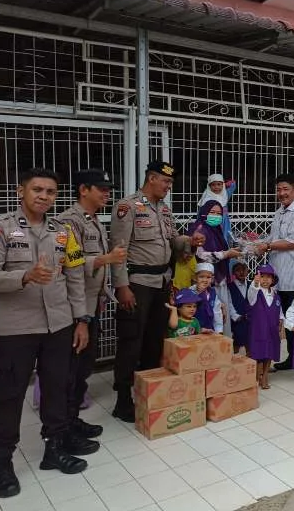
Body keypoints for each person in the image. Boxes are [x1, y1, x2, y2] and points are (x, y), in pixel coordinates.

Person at [0, 169, 94, 498]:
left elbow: (76, 276)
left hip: (59, 326)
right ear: (21, 190)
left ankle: (54, 449)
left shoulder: (63, 232)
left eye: (51, 191)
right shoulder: (1, 228)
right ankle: (2, 463)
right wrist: (24, 276)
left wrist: (82, 320)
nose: (44, 196)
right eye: (37, 189)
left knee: (56, 389)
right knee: (9, 395)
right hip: (15, 330)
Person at [109, 160, 203, 422]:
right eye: (166, 182)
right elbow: (118, 250)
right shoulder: (127, 207)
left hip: (162, 281)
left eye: (170, 183)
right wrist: (121, 286)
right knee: (131, 341)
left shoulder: (164, 210)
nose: (169, 187)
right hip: (138, 284)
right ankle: (123, 400)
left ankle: (148, 390)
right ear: (151, 179)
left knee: (154, 340)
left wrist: (189, 241)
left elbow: (174, 240)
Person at [57, 169, 128, 445]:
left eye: (108, 189)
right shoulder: (68, 221)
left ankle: (72, 420)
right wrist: (106, 258)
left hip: (92, 303)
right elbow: (68, 264)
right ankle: (62, 428)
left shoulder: (94, 219)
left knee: (83, 368)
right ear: (83, 189)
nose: (106, 194)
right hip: (75, 307)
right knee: (71, 369)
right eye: (101, 189)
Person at [253, 174, 294, 371]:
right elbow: (274, 238)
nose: (281, 193)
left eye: (285, 189)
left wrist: (267, 245)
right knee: (289, 323)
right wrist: (256, 242)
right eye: (279, 190)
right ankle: (293, 358)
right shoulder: (280, 212)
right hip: (281, 277)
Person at [189, 200, 241, 334]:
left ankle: (221, 347)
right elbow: (200, 254)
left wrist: (230, 253)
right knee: (207, 317)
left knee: (221, 317)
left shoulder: (216, 230)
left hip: (219, 280)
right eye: (212, 212)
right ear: (204, 212)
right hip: (204, 283)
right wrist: (225, 254)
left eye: (219, 213)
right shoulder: (198, 229)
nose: (216, 216)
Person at [246, 264, 283, 389]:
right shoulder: (255, 293)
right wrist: (255, 284)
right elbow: (251, 294)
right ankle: (257, 376)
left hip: (272, 330)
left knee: (269, 352)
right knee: (258, 352)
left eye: (268, 277)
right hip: (258, 330)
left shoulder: (275, 294)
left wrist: (281, 322)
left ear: (273, 279)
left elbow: (279, 310)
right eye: (262, 276)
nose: (265, 280)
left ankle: (265, 374)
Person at [197, 173, 236, 244]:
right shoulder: (206, 197)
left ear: (222, 185)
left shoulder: (225, 195)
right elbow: (201, 214)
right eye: (213, 185)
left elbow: (233, 184)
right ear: (209, 186)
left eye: (219, 184)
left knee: (224, 240)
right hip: (211, 224)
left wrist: (226, 184)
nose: (216, 187)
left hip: (224, 223)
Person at [191, 263, 224, 334]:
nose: (205, 280)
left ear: (212, 279)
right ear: (195, 277)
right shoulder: (190, 291)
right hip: (194, 330)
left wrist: (219, 330)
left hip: (210, 330)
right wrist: (199, 293)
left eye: (208, 277)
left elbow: (217, 313)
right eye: (201, 277)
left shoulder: (213, 293)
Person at [227, 261, 251, 354]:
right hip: (238, 321)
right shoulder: (230, 287)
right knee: (236, 344)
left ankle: (250, 365)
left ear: (247, 271)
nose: (241, 272)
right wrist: (236, 316)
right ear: (233, 273)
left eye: (243, 270)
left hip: (250, 320)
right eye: (238, 270)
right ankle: (235, 366)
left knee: (250, 344)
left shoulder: (252, 285)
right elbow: (229, 303)